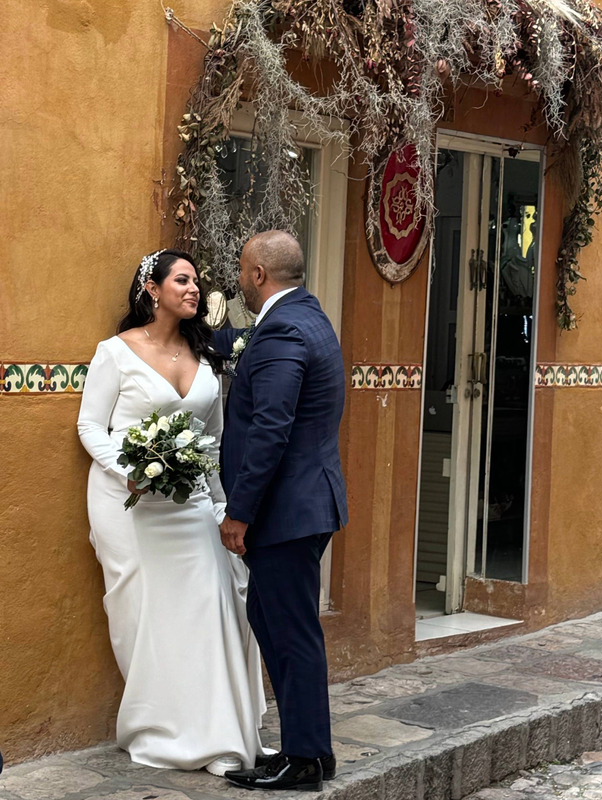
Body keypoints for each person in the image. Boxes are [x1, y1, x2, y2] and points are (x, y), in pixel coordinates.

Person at [77, 249, 268, 776]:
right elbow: (91, 426)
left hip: (192, 506)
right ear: (152, 290)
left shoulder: (205, 355)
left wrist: (222, 508)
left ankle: (219, 735)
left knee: (213, 605)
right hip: (128, 504)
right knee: (145, 616)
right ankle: (158, 728)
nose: (194, 289)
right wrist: (131, 470)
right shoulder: (114, 353)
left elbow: (214, 440)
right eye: (182, 280)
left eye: (196, 281)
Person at [211, 230, 348, 792]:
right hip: (305, 504)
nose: (239, 279)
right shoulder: (308, 317)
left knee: (289, 631)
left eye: (243, 270)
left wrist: (238, 512)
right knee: (273, 619)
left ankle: (307, 760)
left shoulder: (282, 331)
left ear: (260, 275)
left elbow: (271, 426)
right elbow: (252, 351)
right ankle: (307, 748)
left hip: (286, 512)